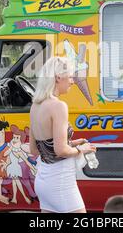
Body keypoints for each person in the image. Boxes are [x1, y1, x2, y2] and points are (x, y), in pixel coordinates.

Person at [29, 56, 96, 213]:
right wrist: (82, 150)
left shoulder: (35, 105)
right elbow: (60, 151)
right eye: (71, 76)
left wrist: (72, 143)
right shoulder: (59, 106)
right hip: (61, 181)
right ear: (58, 77)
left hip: (43, 180)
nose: (73, 81)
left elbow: (35, 149)